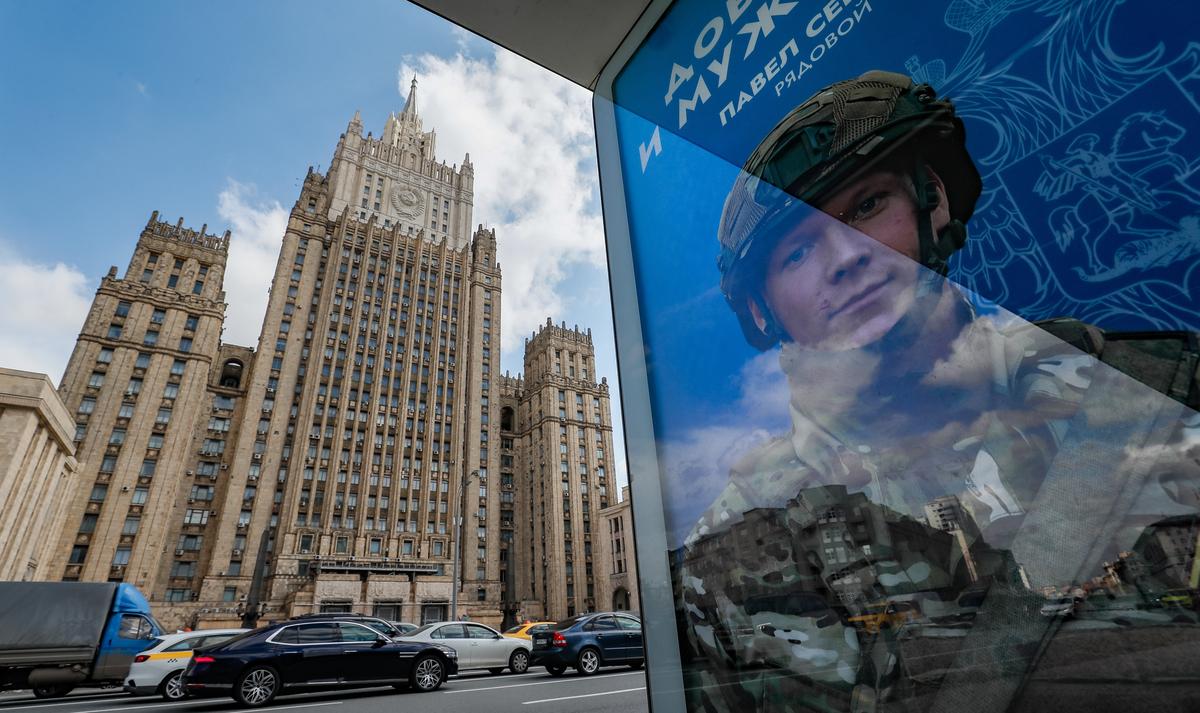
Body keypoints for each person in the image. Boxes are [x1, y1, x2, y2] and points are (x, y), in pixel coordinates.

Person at [678, 70, 1200, 713]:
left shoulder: (1155, 390)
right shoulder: (738, 536)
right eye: (797, 253)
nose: (844, 257)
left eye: (867, 205)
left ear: (935, 201)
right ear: (762, 311)